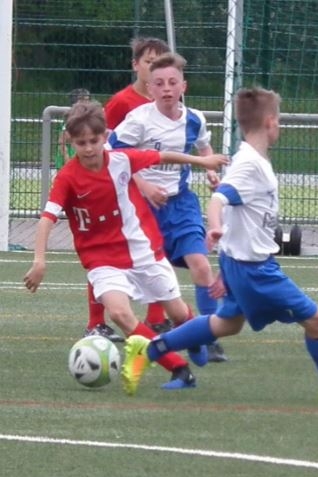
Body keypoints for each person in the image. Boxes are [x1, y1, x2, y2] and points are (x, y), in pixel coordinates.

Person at [120, 87, 318, 403]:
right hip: (256, 271)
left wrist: (226, 267)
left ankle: (151, 348)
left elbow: (239, 214)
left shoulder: (252, 159)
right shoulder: (249, 165)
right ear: (270, 122)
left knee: (226, 323)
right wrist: (215, 227)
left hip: (241, 264)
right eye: (278, 120)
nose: (278, 126)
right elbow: (219, 198)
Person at [23, 101, 228, 390]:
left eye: (94, 141)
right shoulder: (67, 177)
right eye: (81, 143)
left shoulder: (121, 160)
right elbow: (47, 218)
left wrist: (203, 162)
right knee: (120, 314)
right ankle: (179, 369)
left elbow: (162, 155)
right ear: (71, 141)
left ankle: (194, 337)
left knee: (179, 313)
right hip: (101, 259)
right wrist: (39, 261)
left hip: (143, 250)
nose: (89, 148)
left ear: (104, 137)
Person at [108, 52, 228, 363]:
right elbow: (114, 155)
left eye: (172, 82)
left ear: (183, 86)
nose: (166, 89)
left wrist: (210, 170)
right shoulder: (138, 121)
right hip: (143, 209)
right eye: (159, 83)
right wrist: (144, 186)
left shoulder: (194, 119)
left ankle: (209, 338)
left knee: (201, 265)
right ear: (150, 89)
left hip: (181, 204)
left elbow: (203, 146)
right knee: (152, 277)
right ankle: (173, 328)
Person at [84, 37, 171, 344]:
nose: (154, 68)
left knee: (155, 250)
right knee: (106, 254)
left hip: (156, 193)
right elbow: (104, 145)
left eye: (160, 63)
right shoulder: (122, 102)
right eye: (149, 62)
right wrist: (140, 183)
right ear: (136, 65)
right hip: (123, 192)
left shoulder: (167, 103)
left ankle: (156, 317)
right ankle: (95, 322)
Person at [55, 88, 91, 169]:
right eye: (83, 100)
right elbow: (62, 143)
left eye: (87, 100)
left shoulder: (85, 118)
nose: (86, 103)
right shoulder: (70, 119)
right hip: (67, 161)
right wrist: (67, 160)